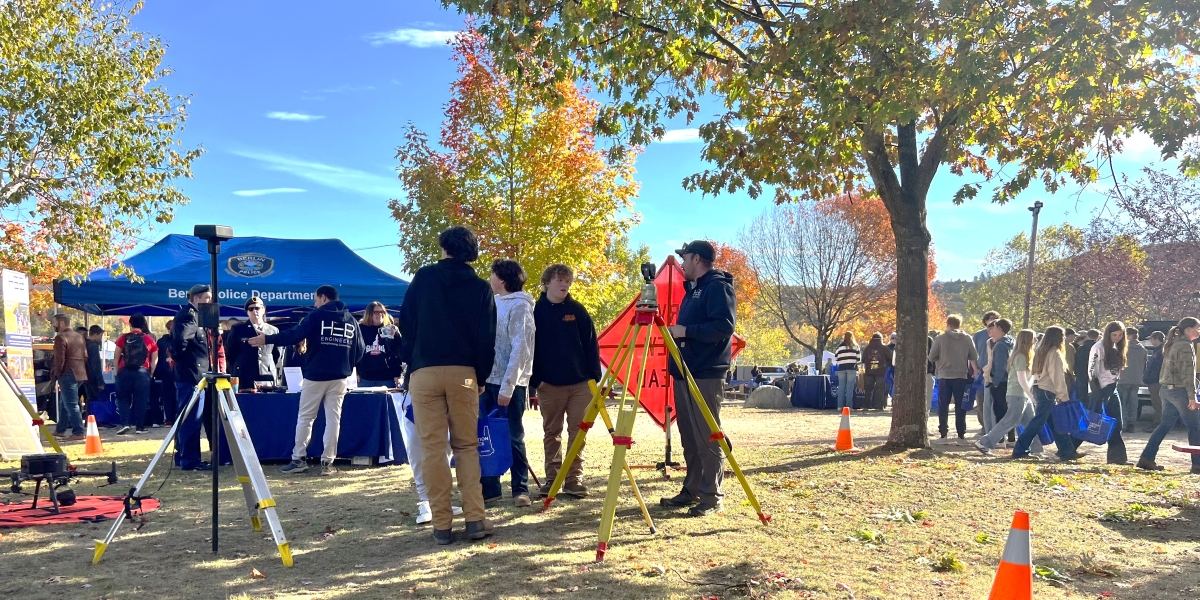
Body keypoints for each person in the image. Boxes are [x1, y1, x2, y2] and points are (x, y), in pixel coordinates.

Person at [398, 226, 496, 545]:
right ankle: (475, 520)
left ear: (444, 248)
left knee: (433, 449)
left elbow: (406, 323)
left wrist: (413, 363)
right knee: (467, 447)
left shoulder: (424, 278)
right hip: (464, 373)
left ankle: (441, 525)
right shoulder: (481, 288)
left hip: (424, 371)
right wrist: (480, 376)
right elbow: (486, 338)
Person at [250, 285, 365, 476]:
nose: (314, 303)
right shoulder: (351, 320)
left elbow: (295, 334)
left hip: (316, 375)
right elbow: (360, 349)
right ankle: (327, 463)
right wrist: (345, 364)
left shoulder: (316, 316)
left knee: (306, 417)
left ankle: (298, 459)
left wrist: (268, 339)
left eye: (315, 299)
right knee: (333, 420)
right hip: (340, 377)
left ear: (323, 298)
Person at [659, 240, 736, 518]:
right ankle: (691, 490)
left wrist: (685, 331)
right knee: (689, 436)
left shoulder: (717, 286)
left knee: (707, 436)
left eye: (685, 257)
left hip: (705, 372)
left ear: (697, 258)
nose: (681, 263)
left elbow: (724, 326)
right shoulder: (692, 289)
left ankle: (712, 496)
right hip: (684, 371)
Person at [530, 263, 601, 499]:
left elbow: (591, 344)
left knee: (578, 431)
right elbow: (528, 349)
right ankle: (553, 479)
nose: (564, 284)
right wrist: (535, 380)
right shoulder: (535, 311)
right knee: (552, 432)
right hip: (548, 384)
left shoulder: (577, 310)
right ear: (547, 282)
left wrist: (594, 378)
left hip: (580, 383)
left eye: (568, 281)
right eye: (560, 280)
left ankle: (573, 479)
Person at [480, 259, 536, 508]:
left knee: (514, 436)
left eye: (493, 274)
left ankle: (520, 489)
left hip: (509, 383)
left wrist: (507, 386)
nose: (490, 278)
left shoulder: (520, 306)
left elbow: (520, 349)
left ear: (502, 279)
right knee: (486, 435)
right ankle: (490, 489)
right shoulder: (492, 303)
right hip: (486, 380)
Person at [1011, 326, 1084, 461]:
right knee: (1038, 422)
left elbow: (1035, 372)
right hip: (1048, 390)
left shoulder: (1040, 351)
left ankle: (1067, 451)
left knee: (1053, 422)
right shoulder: (1055, 353)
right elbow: (1057, 376)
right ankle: (1020, 449)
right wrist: (1063, 395)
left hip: (1040, 388)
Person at [1137, 318, 1200, 473]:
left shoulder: (1172, 343)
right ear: (1188, 329)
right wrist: (1192, 396)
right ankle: (1197, 464)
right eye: (1197, 328)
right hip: (1179, 391)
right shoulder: (1185, 346)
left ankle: (1147, 457)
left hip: (1166, 390)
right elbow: (1187, 372)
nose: (1199, 331)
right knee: (1195, 427)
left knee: (1164, 425)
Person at [976, 329, 1041, 455]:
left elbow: (1028, 378)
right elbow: (1021, 380)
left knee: (1030, 423)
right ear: (1027, 339)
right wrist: (1031, 396)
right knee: (1010, 421)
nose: (1036, 340)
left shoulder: (1026, 356)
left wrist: (1034, 377)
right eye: (1033, 337)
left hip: (1022, 395)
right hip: (1017, 394)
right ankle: (984, 443)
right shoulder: (1020, 356)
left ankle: (1037, 449)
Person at [172, 284, 214, 471]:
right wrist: (182, 359)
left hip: (195, 374)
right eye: (206, 298)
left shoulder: (194, 315)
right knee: (191, 419)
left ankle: (185, 456)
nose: (209, 301)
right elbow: (181, 340)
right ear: (197, 298)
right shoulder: (189, 315)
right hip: (192, 374)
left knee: (190, 417)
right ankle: (190, 460)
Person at [928, 315, 979, 440]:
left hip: (944, 375)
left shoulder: (940, 338)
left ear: (947, 324)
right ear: (959, 325)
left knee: (943, 404)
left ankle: (943, 431)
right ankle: (961, 432)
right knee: (960, 405)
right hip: (961, 375)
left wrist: (940, 360)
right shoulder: (967, 338)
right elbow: (974, 356)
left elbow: (931, 356)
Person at [1088, 321, 1129, 465]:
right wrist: (1097, 391)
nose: (1117, 337)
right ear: (1108, 334)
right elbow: (1092, 370)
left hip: (1112, 386)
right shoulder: (1098, 347)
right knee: (1096, 421)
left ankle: (1116, 457)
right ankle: (1068, 447)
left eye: (1120, 335)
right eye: (1114, 335)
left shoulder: (1118, 347)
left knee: (1115, 422)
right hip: (1101, 388)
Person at [113, 313, 159, 435]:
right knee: (141, 400)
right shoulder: (149, 339)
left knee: (123, 398)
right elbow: (154, 358)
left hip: (124, 371)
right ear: (143, 324)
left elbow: (116, 356)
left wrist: (116, 372)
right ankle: (140, 427)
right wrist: (151, 372)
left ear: (130, 324)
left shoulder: (123, 338)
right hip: (142, 372)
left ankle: (125, 423)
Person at [225, 297, 281, 388]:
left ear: (263, 310)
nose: (255, 311)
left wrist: (268, 365)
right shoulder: (238, 329)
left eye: (257, 308)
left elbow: (277, 354)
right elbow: (231, 353)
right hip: (245, 374)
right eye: (251, 309)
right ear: (247, 312)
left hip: (267, 373)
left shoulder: (273, 330)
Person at [50, 314, 88, 441]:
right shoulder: (79, 336)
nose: (53, 325)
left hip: (67, 373)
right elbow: (85, 356)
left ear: (61, 323)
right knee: (65, 402)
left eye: (54, 322)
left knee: (71, 404)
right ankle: (60, 429)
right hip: (80, 373)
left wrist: (57, 373)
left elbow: (59, 359)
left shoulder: (60, 337)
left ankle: (78, 431)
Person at [355, 301, 402, 387]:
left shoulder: (390, 329)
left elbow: (397, 353)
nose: (380, 314)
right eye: (376, 312)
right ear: (369, 313)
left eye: (382, 312)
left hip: (387, 377)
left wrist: (397, 374)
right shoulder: (360, 329)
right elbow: (354, 352)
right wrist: (355, 372)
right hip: (364, 377)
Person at [984, 318, 1015, 443]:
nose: (992, 329)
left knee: (999, 410)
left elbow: (1000, 365)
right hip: (1008, 380)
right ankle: (1011, 437)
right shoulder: (1010, 341)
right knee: (1006, 409)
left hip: (1000, 382)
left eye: (995, 327)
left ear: (1000, 329)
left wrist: (995, 382)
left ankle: (1000, 439)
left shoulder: (1000, 345)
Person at [971, 311, 1000, 430]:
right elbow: (972, 354)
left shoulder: (1003, 335)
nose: (993, 320)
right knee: (981, 400)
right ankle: (984, 426)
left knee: (996, 400)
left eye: (996, 318)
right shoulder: (978, 335)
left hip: (997, 372)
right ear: (985, 320)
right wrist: (975, 370)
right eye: (991, 318)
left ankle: (995, 427)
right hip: (981, 371)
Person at [1118, 327, 1146, 432]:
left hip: (1123, 379)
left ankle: (1123, 424)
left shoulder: (1123, 348)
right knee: (1133, 403)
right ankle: (1131, 424)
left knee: (1122, 403)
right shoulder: (1142, 349)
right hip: (1136, 379)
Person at [862, 333, 891, 411]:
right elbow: (890, 358)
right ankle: (878, 406)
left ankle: (866, 405)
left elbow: (863, 359)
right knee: (880, 389)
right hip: (881, 372)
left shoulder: (867, 348)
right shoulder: (884, 348)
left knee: (868, 389)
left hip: (869, 371)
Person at [154, 320, 176, 426]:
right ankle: (175, 418)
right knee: (175, 395)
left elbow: (157, 357)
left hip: (166, 372)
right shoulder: (181, 339)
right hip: (175, 372)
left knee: (168, 396)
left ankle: (169, 419)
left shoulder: (161, 341)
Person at [1143, 330, 1166, 429]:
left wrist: (1149, 377)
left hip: (1156, 381)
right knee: (1156, 402)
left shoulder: (1161, 351)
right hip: (1155, 380)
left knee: (1158, 403)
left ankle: (1159, 423)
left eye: (1152, 339)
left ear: (1156, 339)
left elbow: (1156, 368)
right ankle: (1157, 422)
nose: (1151, 341)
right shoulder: (1158, 350)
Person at [834, 333, 860, 410]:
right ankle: (849, 406)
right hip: (851, 368)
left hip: (841, 368)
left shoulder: (840, 347)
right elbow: (858, 359)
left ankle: (839, 406)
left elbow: (836, 358)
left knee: (841, 387)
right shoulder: (855, 346)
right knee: (849, 388)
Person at [1074, 329, 1099, 402]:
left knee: (1082, 399)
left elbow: (1076, 363)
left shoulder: (1081, 349)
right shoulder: (1100, 348)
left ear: (1087, 336)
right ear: (1097, 337)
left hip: (1082, 376)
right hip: (1096, 377)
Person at [84, 325, 106, 407]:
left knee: (89, 400)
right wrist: (100, 381)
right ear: (95, 334)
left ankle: (88, 417)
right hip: (92, 378)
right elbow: (96, 365)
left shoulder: (84, 343)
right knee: (95, 400)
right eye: (100, 336)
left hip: (84, 376)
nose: (101, 338)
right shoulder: (93, 346)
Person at [1064, 328, 1078, 399]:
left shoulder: (1057, 345)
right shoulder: (1069, 347)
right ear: (1068, 336)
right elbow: (1070, 361)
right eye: (1073, 336)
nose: (1074, 338)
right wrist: (1072, 375)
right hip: (1067, 374)